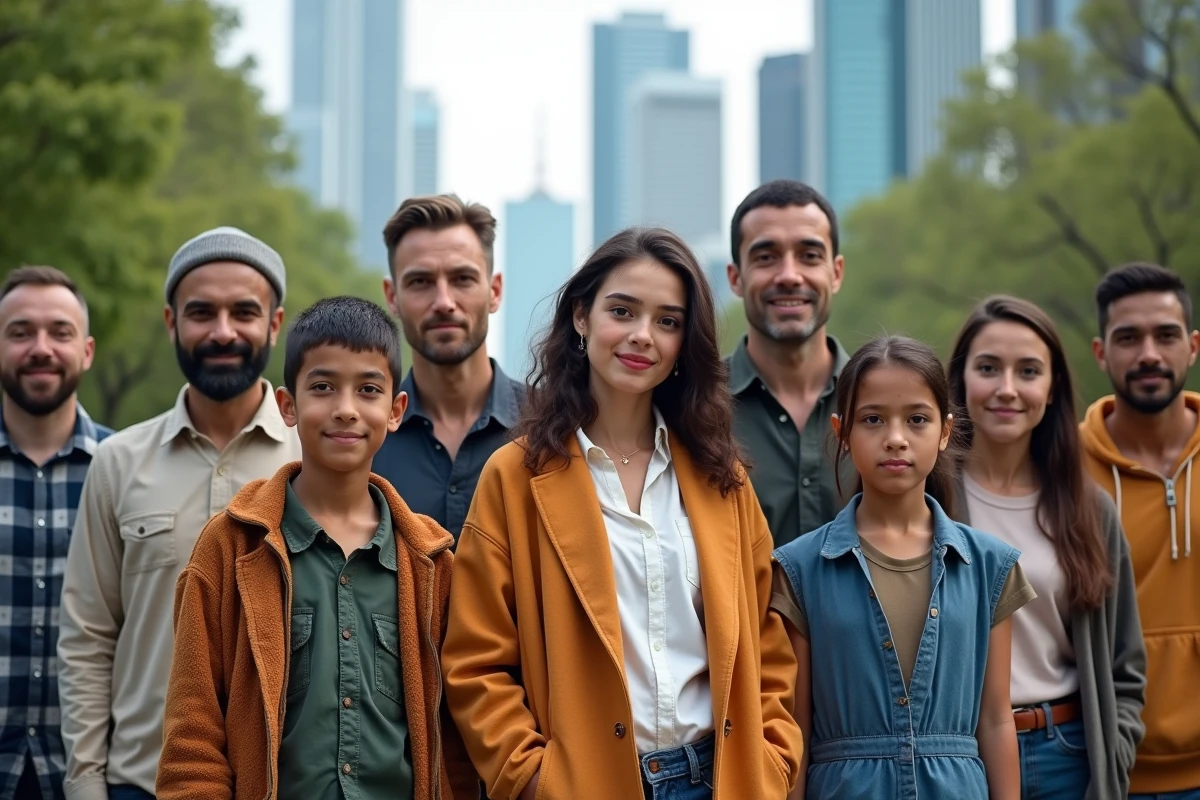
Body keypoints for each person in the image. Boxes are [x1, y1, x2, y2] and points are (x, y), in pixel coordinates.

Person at [441, 227, 802, 800]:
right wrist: (532, 779)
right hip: (583, 784)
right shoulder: (514, 477)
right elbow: (474, 659)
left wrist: (773, 761)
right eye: (623, 311)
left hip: (718, 779)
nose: (642, 336)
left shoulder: (721, 479)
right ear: (581, 318)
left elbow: (768, 645)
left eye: (667, 321)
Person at [156, 296, 474, 800]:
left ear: (395, 411)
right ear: (288, 406)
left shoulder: (432, 563)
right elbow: (193, 736)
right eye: (323, 387)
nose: (345, 409)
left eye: (368, 390)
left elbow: (452, 748)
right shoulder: (231, 547)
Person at [58, 227, 302, 800]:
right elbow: (88, 638)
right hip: (140, 782)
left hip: (283, 783)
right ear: (172, 322)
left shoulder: (313, 457)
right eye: (201, 313)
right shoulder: (117, 463)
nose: (222, 331)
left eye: (244, 312)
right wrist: (87, 785)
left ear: (274, 323)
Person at [772, 334, 1035, 800]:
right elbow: (798, 725)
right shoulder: (800, 568)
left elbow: (995, 719)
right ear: (842, 432)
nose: (895, 439)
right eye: (872, 419)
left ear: (946, 431)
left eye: (917, 419)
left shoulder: (989, 565)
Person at [947, 296, 1145, 800]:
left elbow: (1126, 665)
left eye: (1028, 371)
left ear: (1052, 386)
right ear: (960, 379)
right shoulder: (929, 501)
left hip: (1068, 753)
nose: (1007, 389)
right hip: (959, 755)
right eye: (988, 368)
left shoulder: (1088, 509)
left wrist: (1112, 755)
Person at [1081, 262, 1200, 799]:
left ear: (1192, 346)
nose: (1149, 353)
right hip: (1110, 768)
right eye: (1128, 337)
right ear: (1101, 352)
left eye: (1166, 335)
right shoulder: (1062, 470)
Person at [0, 267, 112, 800]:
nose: (40, 348)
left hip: (91, 776)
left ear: (86, 351)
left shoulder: (127, 471)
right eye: (20, 332)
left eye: (60, 332)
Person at [375, 195, 524, 541]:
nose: (443, 302)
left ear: (495, 290)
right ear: (392, 295)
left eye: (462, 279)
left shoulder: (555, 426)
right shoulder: (365, 435)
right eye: (420, 282)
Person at [724, 179, 853, 546]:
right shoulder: (690, 404)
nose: (789, 276)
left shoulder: (890, 403)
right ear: (736, 277)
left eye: (810, 255)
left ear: (837, 272)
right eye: (766, 257)